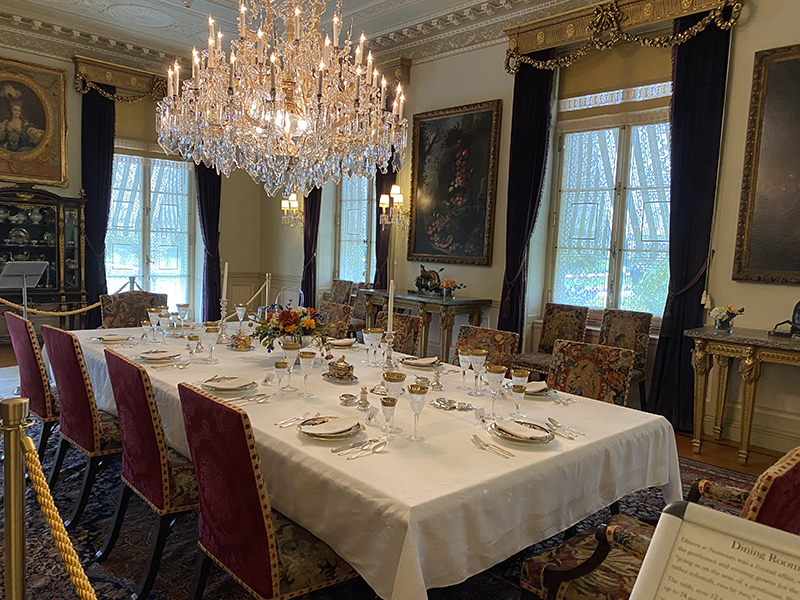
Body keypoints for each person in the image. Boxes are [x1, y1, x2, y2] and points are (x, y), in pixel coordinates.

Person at [0, 84, 45, 152]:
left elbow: (32, 131)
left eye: (19, 110)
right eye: (15, 110)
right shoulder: (6, 123)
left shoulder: (23, 123)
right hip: (8, 149)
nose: (17, 112)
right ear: (11, 111)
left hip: (19, 150)